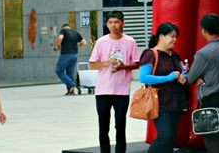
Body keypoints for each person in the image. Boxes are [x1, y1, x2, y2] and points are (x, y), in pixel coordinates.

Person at [89, 10, 142, 153]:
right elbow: (92, 64)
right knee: (103, 126)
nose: (114, 25)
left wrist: (123, 66)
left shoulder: (130, 41)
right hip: (103, 90)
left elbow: (137, 63)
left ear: (123, 23)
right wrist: (108, 63)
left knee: (120, 125)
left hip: (121, 90)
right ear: (107, 24)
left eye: (117, 22)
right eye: (111, 22)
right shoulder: (101, 42)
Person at [186, 13, 219, 153]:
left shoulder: (203, 53)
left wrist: (200, 80)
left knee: (212, 135)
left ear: (203, 30)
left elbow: (190, 78)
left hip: (211, 98)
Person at [139, 22, 190, 153]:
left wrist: (183, 77)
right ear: (161, 36)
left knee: (171, 139)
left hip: (176, 102)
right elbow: (144, 77)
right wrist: (168, 77)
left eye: (176, 37)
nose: (175, 40)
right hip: (160, 103)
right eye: (172, 36)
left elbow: (181, 72)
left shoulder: (174, 55)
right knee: (165, 137)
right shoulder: (150, 54)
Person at [53, 23, 86, 95]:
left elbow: (60, 38)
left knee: (59, 71)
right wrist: (77, 45)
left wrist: (58, 46)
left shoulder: (63, 31)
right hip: (74, 55)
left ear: (63, 27)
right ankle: (71, 91)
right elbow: (84, 42)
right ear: (69, 27)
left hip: (65, 55)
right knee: (70, 72)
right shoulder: (75, 33)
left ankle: (71, 84)